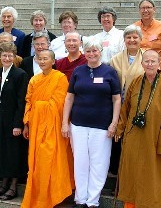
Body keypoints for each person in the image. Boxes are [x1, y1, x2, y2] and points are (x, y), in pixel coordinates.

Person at [62, 38, 121, 208]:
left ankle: (93, 201)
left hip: (102, 126)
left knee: (99, 163)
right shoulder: (78, 71)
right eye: (88, 51)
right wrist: (65, 122)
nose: (92, 54)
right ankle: (80, 199)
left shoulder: (110, 72)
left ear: (100, 52)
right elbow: (69, 97)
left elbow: (116, 99)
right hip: (78, 124)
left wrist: (114, 123)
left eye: (95, 51)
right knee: (80, 162)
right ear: (84, 53)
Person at [115, 50, 161, 208]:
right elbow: (125, 108)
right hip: (134, 137)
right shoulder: (136, 83)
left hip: (155, 140)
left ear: (159, 64)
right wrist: (120, 129)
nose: (149, 64)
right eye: (146, 61)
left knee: (154, 175)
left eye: (153, 61)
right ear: (142, 64)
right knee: (133, 172)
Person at [21, 50, 73, 208]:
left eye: (46, 59)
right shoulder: (34, 80)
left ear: (53, 61)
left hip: (54, 127)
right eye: (40, 59)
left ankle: (56, 194)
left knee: (52, 159)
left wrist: (38, 106)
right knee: (38, 163)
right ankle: (41, 195)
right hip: (36, 126)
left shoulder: (60, 78)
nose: (42, 61)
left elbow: (60, 103)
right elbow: (28, 101)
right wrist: (26, 123)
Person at [0, 42, 29, 201]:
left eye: (10, 55)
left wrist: (18, 124)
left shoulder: (20, 74)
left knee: (13, 153)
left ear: (15, 57)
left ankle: (13, 187)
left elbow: (21, 101)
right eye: (4, 55)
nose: (7, 57)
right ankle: (3, 184)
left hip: (12, 120)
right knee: (3, 152)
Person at [109, 24, 145, 176]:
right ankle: (117, 175)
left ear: (140, 39)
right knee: (118, 140)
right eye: (128, 37)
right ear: (124, 40)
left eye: (135, 37)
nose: (132, 40)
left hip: (139, 106)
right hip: (118, 105)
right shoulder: (115, 59)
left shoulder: (147, 58)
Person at [134, 0, 161, 76]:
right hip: (139, 65)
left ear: (154, 9)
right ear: (139, 10)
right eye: (143, 8)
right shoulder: (134, 28)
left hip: (159, 66)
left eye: (148, 7)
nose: (145, 10)